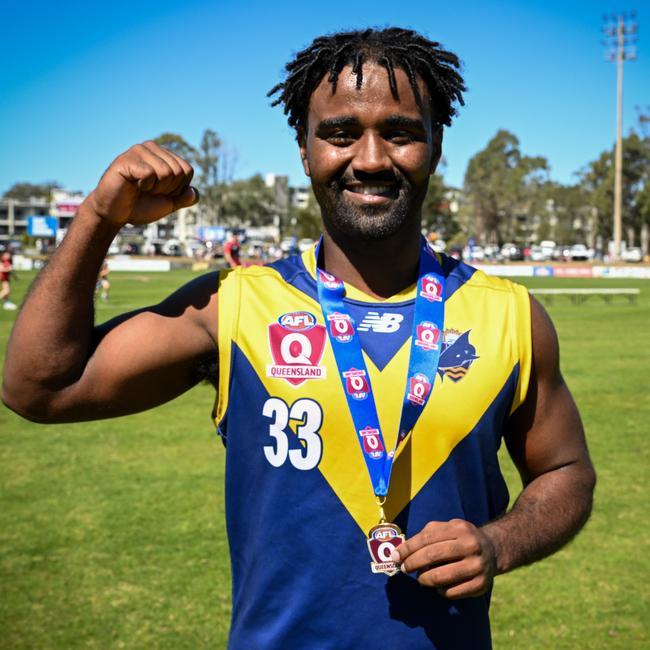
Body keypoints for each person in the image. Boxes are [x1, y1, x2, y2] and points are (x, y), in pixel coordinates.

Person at [2, 27, 595, 649]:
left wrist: (498, 543)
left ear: (435, 145)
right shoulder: (231, 306)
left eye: (399, 132)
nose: (370, 158)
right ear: (305, 151)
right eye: (340, 134)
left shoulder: (511, 316)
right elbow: (39, 387)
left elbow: (567, 470)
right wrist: (99, 217)